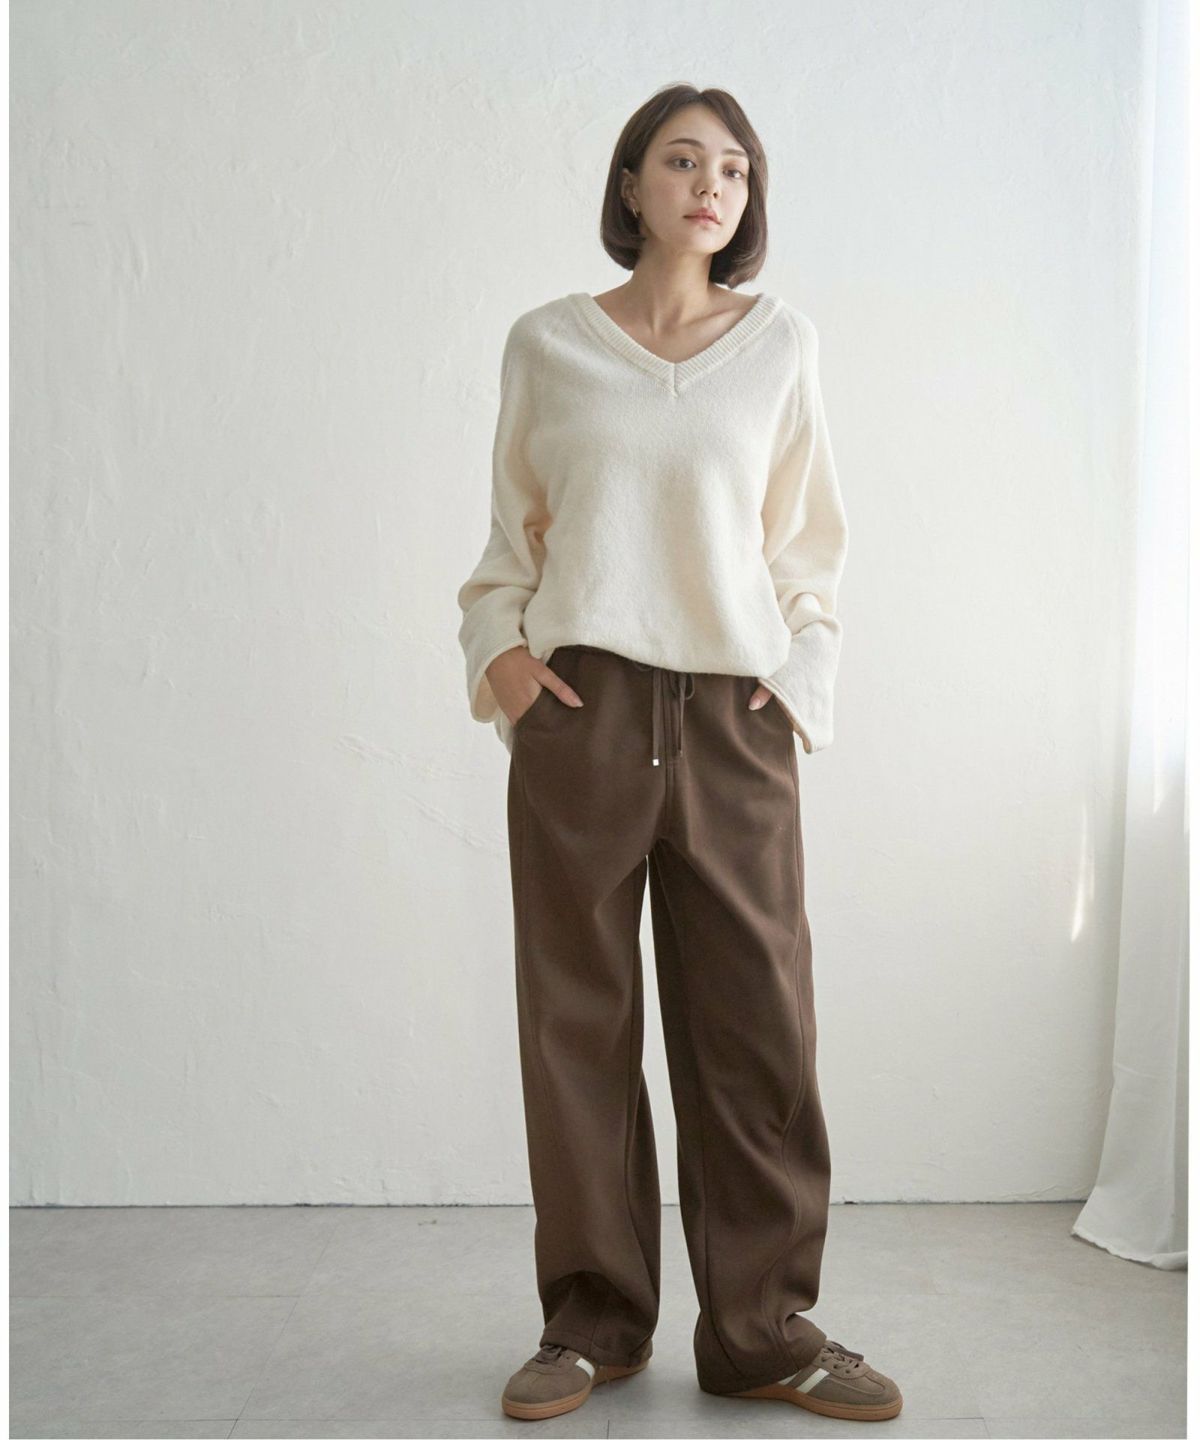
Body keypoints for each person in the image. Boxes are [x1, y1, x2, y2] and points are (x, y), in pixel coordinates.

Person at [456, 83, 901, 1425]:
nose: (713, 185)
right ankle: (590, 1325)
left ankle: (762, 1331)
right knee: (576, 1031)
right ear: (632, 184)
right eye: (684, 161)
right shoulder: (548, 345)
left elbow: (808, 551)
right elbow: (511, 544)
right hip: (581, 716)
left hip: (733, 721)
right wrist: (504, 660)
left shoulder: (780, 346)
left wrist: (796, 683)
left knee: (757, 1028)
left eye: (736, 169)